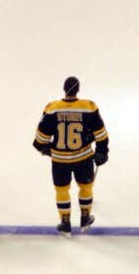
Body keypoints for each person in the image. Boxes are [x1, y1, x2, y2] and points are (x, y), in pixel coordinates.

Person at [32, 76, 109, 233]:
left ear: (64, 89)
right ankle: (85, 216)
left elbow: (40, 139)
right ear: (78, 89)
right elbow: (101, 134)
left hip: (60, 160)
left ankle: (65, 221)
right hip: (84, 157)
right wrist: (102, 152)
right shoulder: (89, 107)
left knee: (61, 190)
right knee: (86, 187)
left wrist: (47, 150)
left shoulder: (52, 108)